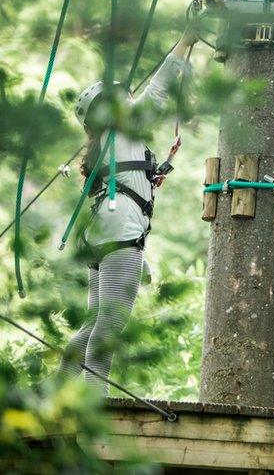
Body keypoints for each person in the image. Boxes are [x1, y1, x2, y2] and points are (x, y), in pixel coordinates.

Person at [56, 28, 198, 393]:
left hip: (103, 236)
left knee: (93, 324)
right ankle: (92, 409)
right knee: (108, 329)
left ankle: (59, 393)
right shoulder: (123, 127)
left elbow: (129, 182)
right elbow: (157, 90)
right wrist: (185, 42)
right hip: (120, 235)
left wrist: (154, 173)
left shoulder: (111, 143)